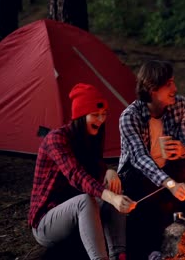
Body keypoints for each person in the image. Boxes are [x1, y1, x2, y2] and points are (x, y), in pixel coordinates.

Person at [28, 83, 136, 260]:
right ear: (80, 116)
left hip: (78, 213)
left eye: (103, 115)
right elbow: (76, 175)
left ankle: (119, 255)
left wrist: (108, 172)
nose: (101, 120)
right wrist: (111, 197)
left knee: (114, 191)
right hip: (46, 221)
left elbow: (95, 167)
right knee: (88, 200)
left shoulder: (90, 137)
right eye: (95, 115)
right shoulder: (56, 139)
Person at [118, 60, 185, 259]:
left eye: (173, 82)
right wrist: (170, 184)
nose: (174, 88)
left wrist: (181, 149)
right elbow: (140, 159)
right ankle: (152, 249)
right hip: (139, 175)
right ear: (152, 89)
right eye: (169, 84)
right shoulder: (129, 117)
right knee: (139, 180)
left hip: (170, 167)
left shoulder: (179, 105)